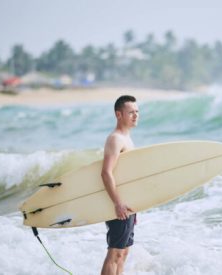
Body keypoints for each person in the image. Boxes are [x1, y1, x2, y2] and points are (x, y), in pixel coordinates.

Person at [101, 95, 139, 275]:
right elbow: (106, 173)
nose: (136, 115)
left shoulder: (127, 138)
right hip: (118, 203)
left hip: (127, 205)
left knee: (123, 252)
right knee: (115, 252)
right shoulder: (115, 139)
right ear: (118, 114)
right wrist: (117, 203)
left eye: (137, 112)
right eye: (131, 112)